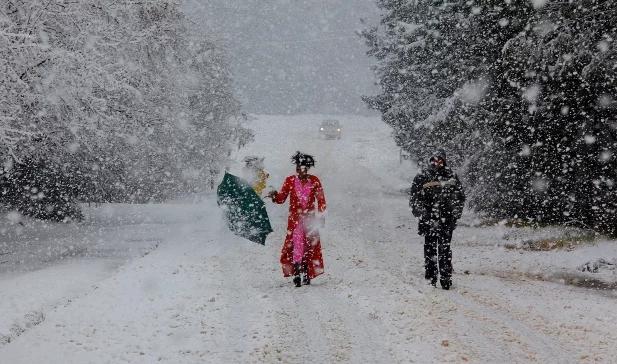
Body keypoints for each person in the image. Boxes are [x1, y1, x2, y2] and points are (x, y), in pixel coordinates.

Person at [267, 152, 326, 287]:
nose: (300, 172)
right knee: (297, 247)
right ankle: (297, 273)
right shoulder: (290, 181)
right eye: (298, 169)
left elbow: (321, 201)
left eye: (303, 169)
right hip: (295, 221)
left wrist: (321, 217)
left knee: (309, 247)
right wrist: (274, 196)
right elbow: (281, 199)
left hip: (310, 221)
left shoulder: (315, 181)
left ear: (308, 169)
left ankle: (306, 272)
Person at [409, 149, 465, 290]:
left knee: (445, 250)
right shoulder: (422, 177)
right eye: (434, 160)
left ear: (445, 160)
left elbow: (460, 197)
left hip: (446, 220)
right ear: (430, 160)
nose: (437, 163)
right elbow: (414, 199)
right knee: (430, 250)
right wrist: (422, 213)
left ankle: (446, 279)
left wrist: (455, 214)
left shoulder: (451, 176)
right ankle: (431, 278)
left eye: (440, 160)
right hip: (429, 221)